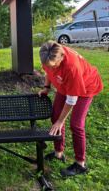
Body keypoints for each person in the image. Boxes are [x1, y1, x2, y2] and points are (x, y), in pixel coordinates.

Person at [38, 41, 103, 177]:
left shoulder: (71, 67)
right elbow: (47, 70)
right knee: (55, 116)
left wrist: (61, 121)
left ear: (61, 58)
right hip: (65, 83)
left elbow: (71, 99)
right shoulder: (49, 52)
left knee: (76, 124)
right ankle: (58, 154)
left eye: (53, 65)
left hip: (86, 86)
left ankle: (81, 164)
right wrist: (47, 88)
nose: (50, 68)